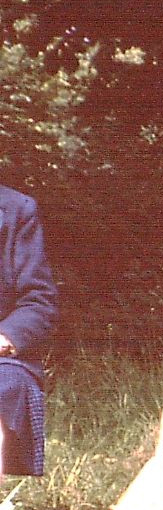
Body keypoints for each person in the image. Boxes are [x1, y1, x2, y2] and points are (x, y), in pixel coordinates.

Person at [0, 184, 58, 479]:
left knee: (3, 386)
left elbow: (38, 301)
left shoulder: (16, 210)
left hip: (0, 357)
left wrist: (5, 338)